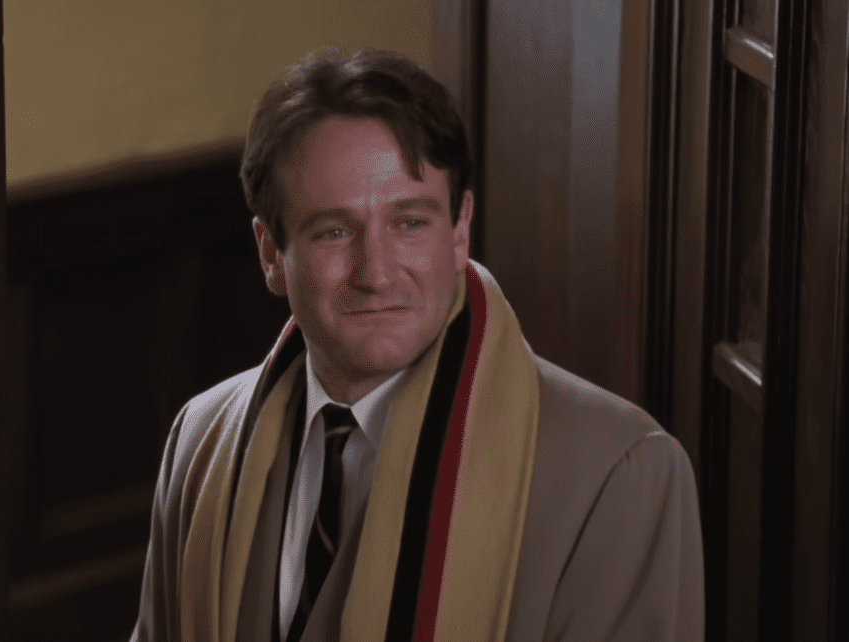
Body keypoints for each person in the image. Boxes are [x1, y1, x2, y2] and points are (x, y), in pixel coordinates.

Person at [130, 48, 703, 642]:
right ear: (271, 253)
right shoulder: (199, 442)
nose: (376, 273)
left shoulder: (619, 475)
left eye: (410, 223)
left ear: (460, 230)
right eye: (334, 231)